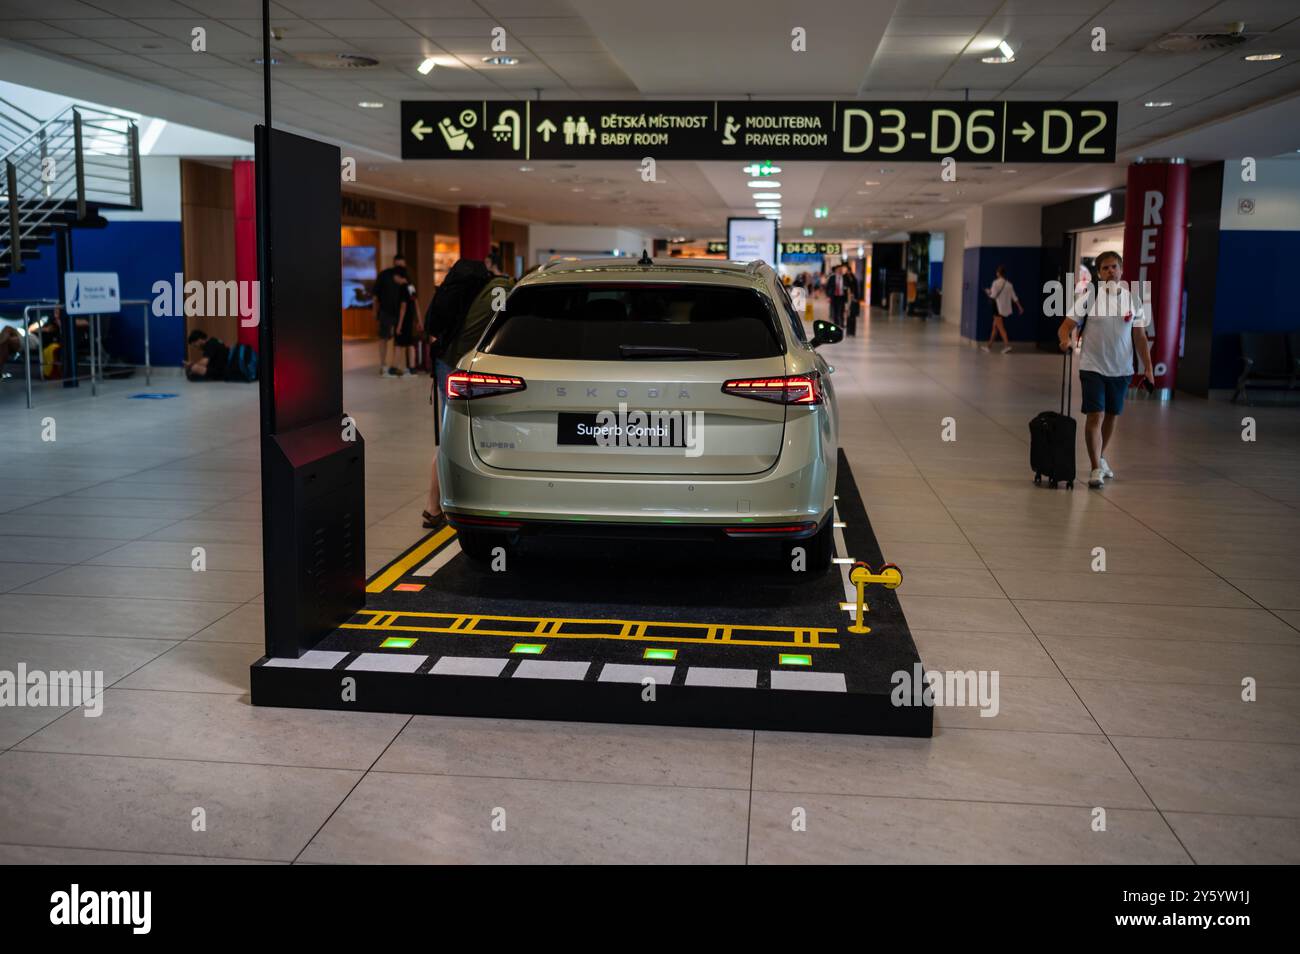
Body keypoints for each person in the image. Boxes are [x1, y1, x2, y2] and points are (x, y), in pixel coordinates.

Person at [421, 251, 510, 529]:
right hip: (465, 367)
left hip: (445, 364)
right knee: (455, 438)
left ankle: (434, 507)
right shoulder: (497, 289)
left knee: (451, 432)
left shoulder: (461, 296)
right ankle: (434, 506)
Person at [1057, 250, 1154, 489]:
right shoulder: (1089, 298)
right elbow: (1066, 326)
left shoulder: (1134, 299)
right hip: (1093, 366)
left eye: (1114, 267)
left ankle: (1101, 456)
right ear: (1099, 274)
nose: (1110, 271)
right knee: (1095, 415)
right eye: (1105, 268)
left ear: (1121, 270)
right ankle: (1095, 467)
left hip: (1122, 369)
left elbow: (1140, 337)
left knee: (1111, 415)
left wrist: (1149, 369)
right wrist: (1065, 340)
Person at [373, 254, 412, 377]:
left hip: (401, 313)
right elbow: (375, 295)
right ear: (394, 263)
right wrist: (375, 311)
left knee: (399, 340)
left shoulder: (406, 277)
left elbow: (412, 298)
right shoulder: (384, 275)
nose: (400, 268)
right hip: (386, 311)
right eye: (398, 264)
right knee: (383, 337)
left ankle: (396, 366)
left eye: (402, 265)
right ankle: (383, 365)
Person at [982, 265, 1022, 354]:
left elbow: (992, 296)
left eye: (997, 272)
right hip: (1004, 309)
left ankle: (1007, 346)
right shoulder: (1009, 285)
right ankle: (989, 346)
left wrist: (988, 292)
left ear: (998, 273)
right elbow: (1014, 297)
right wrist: (1020, 307)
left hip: (996, 308)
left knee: (1000, 328)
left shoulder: (995, 283)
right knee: (995, 327)